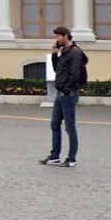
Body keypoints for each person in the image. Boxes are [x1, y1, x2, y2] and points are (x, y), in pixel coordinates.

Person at [39, 26, 87, 168]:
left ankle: (71, 158)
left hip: (68, 94)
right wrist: (54, 54)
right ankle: (55, 156)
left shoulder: (75, 53)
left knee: (69, 127)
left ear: (66, 36)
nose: (56, 39)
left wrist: (66, 89)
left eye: (58, 37)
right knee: (55, 124)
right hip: (61, 93)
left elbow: (75, 74)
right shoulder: (65, 52)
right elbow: (57, 69)